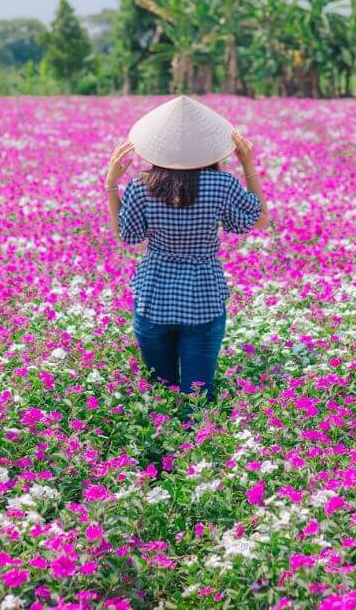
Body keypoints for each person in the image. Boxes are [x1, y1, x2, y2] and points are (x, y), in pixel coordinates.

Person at [104, 96, 269, 424]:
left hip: (154, 298)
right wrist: (248, 163)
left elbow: (128, 235)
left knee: (159, 393)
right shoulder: (222, 184)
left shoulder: (142, 186)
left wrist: (111, 184)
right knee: (197, 396)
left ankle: (159, 461)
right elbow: (257, 220)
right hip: (203, 298)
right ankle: (196, 460)